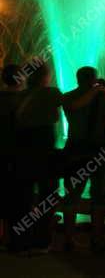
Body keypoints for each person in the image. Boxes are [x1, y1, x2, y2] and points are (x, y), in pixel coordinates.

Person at [59, 66, 105, 250]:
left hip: (75, 151)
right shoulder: (95, 96)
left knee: (72, 196)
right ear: (94, 79)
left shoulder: (69, 96)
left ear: (77, 79)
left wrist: (104, 93)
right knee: (100, 197)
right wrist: (101, 93)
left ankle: (69, 239)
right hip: (99, 151)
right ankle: (97, 238)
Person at [11, 58, 62, 254]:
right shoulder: (51, 93)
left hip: (22, 149)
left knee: (23, 195)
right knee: (47, 194)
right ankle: (42, 240)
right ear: (45, 76)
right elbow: (70, 108)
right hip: (44, 147)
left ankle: (21, 240)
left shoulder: (20, 96)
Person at [0, 63, 25, 249]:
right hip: (19, 154)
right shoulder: (25, 99)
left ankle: (4, 236)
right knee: (18, 197)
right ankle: (15, 239)